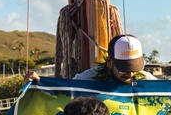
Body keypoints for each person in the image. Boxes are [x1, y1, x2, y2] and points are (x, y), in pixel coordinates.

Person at [25, 34, 157, 85]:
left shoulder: (147, 79)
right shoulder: (89, 78)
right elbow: (65, 88)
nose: (130, 74)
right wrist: (38, 82)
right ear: (110, 62)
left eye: (134, 69)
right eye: (124, 70)